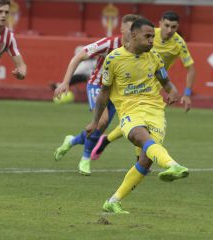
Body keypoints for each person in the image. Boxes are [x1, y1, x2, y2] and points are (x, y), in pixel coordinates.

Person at [85, 18, 189, 214]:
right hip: (129, 110)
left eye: (153, 37)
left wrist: (173, 91)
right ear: (133, 35)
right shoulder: (114, 59)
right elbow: (104, 93)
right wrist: (95, 121)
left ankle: (113, 201)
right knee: (137, 135)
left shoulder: (155, 57)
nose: (152, 41)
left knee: (146, 160)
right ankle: (173, 165)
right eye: (147, 36)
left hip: (155, 111)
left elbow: (165, 81)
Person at [91, 11, 195, 160]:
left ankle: (108, 140)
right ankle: (139, 159)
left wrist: (187, 93)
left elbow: (191, 68)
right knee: (137, 121)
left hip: (155, 84)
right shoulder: (149, 32)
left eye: (174, 27)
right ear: (160, 23)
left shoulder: (179, 44)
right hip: (134, 83)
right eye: (166, 25)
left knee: (141, 122)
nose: (169, 30)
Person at [53, 14, 141, 176]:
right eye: (130, 29)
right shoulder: (109, 43)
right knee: (103, 120)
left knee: (99, 128)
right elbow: (79, 56)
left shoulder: (140, 49)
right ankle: (85, 158)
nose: (133, 33)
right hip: (97, 86)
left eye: (136, 30)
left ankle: (71, 141)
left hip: (117, 92)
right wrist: (65, 82)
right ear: (121, 29)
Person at [0, 0, 26, 80]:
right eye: (0, 11)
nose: (3, 15)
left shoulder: (8, 37)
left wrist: (21, 73)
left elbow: (21, 65)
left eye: (6, 12)